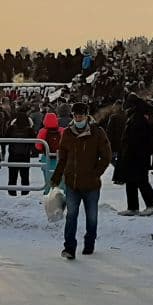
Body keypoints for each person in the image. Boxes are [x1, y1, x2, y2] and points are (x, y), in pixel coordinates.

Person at [50, 102, 112, 260]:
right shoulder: (67, 134)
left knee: (92, 216)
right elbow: (63, 158)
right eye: (76, 115)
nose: (78, 118)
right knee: (71, 215)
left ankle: (90, 241)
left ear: (86, 115)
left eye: (81, 115)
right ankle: (69, 247)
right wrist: (57, 177)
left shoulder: (97, 132)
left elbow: (106, 156)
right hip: (73, 182)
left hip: (91, 184)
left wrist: (95, 173)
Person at [118, 95, 153, 216]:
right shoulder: (137, 117)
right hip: (134, 155)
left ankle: (151, 204)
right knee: (131, 181)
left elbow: (137, 140)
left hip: (138, 155)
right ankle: (132, 206)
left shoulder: (138, 119)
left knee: (142, 181)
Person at [4, 112, 36, 196]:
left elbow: (5, 138)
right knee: (25, 176)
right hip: (25, 156)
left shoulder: (11, 128)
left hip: (13, 155)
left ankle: (12, 192)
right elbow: (33, 143)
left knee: (12, 176)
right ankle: (25, 193)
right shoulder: (29, 130)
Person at [36, 112, 63, 194]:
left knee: (48, 177)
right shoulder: (62, 130)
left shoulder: (42, 131)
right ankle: (60, 193)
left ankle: (48, 193)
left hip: (47, 158)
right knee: (60, 179)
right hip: (60, 159)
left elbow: (38, 146)